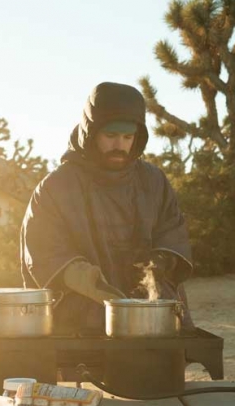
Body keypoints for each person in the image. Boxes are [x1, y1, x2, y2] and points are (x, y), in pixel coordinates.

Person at [20, 81, 193, 336]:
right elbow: (43, 249)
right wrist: (91, 282)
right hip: (82, 311)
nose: (119, 145)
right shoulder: (56, 186)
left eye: (127, 137)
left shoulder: (153, 180)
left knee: (157, 371)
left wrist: (160, 262)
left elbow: (172, 228)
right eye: (110, 136)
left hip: (149, 309)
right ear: (91, 133)